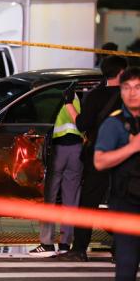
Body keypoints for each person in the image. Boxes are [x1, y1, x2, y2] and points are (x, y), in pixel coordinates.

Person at [59, 55, 128, 261]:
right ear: (122, 73)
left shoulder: (95, 95)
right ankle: (121, 249)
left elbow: (82, 125)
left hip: (98, 156)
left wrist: (69, 103)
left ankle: (79, 249)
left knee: (88, 202)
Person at [94, 66, 140, 281]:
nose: (132, 93)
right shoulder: (114, 124)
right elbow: (99, 161)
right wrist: (131, 148)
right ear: (120, 91)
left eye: (138, 87)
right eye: (127, 87)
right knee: (127, 267)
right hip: (126, 204)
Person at [29, 87, 83, 257]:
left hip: (58, 150)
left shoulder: (48, 97)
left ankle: (47, 243)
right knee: (71, 198)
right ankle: (66, 243)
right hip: (77, 149)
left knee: (50, 197)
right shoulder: (77, 98)